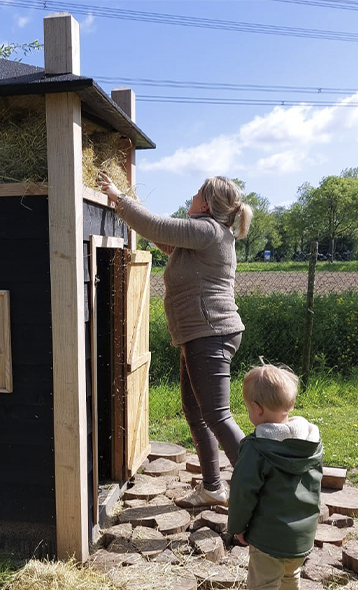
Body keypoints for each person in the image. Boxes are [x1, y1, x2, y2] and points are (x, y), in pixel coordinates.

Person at [99, 172, 252, 508]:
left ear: (208, 204)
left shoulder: (208, 230)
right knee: (196, 413)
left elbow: (161, 228)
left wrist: (118, 199)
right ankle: (213, 487)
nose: (192, 197)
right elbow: (163, 239)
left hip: (210, 333)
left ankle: (266, 490)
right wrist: (130, 208)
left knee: (217, 415)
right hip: (199, 335)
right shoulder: (204, 237)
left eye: (197, 193)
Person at [227, 363, 323, 590]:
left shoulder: (257, 449)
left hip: (268, 539)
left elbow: (243, 492)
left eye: (248, 409)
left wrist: (237, 526)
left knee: (264, 584)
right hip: (301, 538)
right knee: (290, 577)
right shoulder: (310, 444)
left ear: (257, 408)